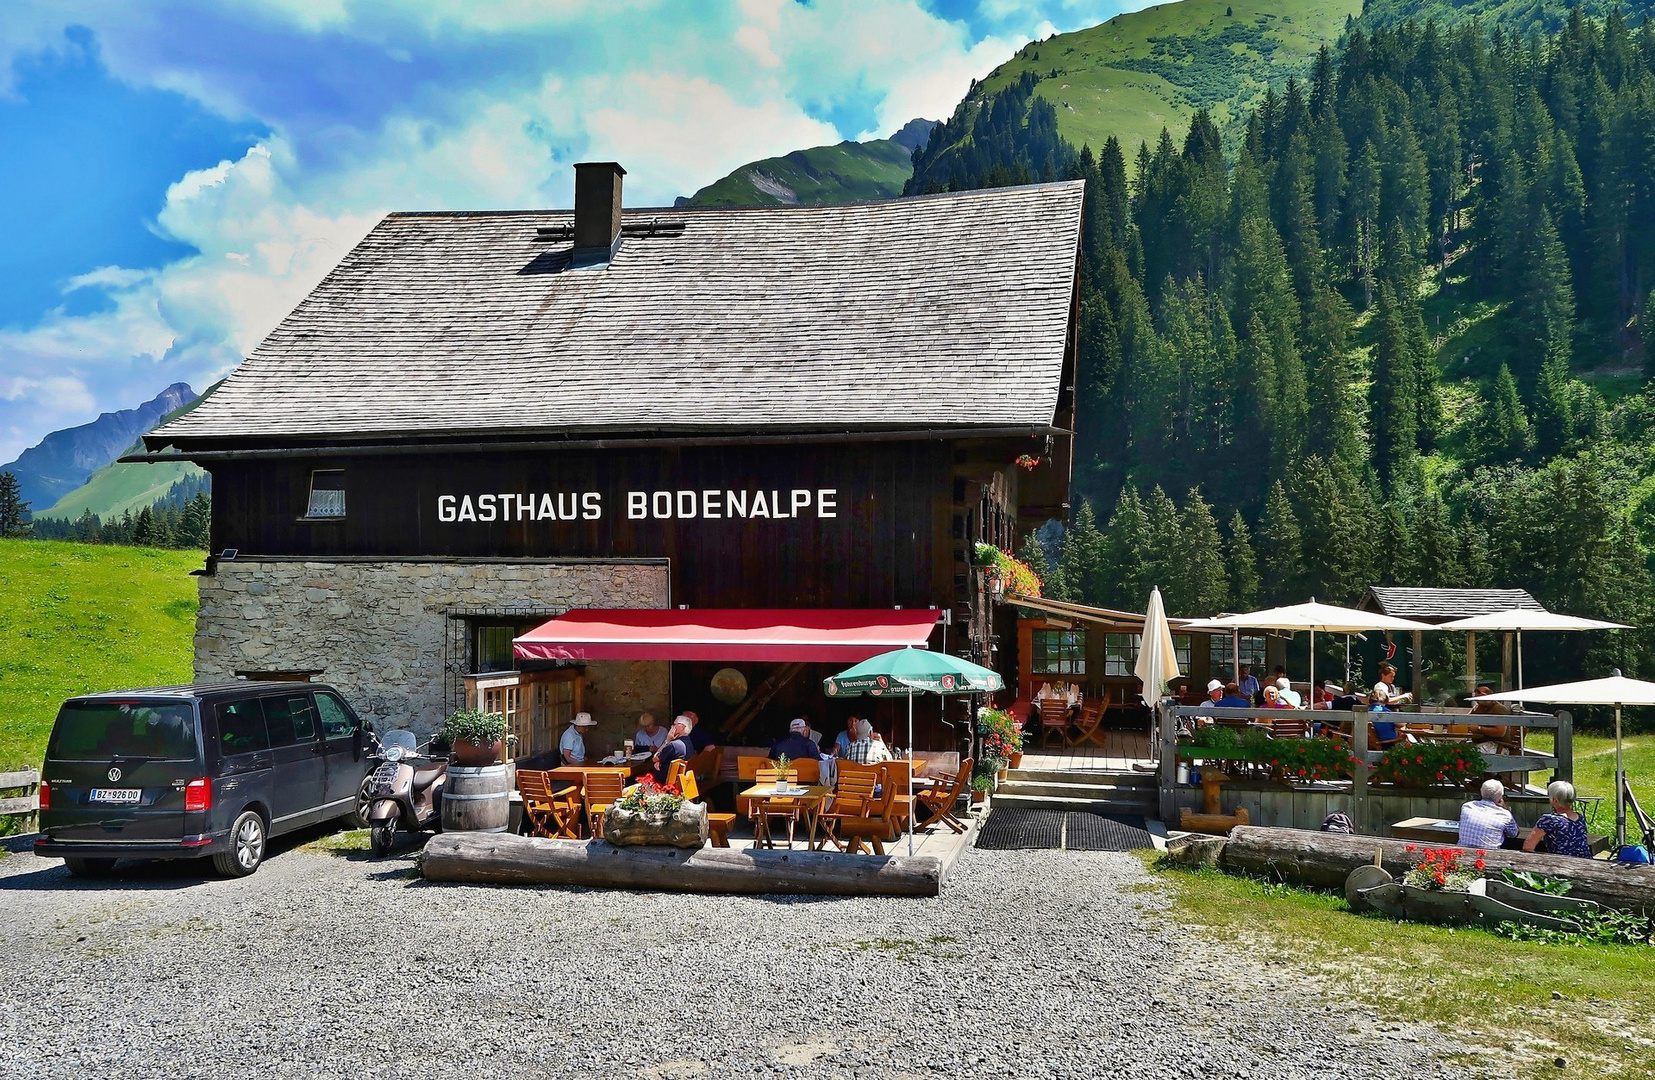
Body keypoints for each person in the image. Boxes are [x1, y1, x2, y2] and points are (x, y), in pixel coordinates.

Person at [1523, 780, 1592, 858]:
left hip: (1562, 865)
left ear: (1554, 800)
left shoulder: (1549, 820)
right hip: (1586, 863)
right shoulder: (1580, 818)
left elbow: (1528, 847)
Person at [1458, 778, 1519, 850]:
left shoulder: (1467, 807)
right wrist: (1504, 808)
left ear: (1481, 791)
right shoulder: (1504, 815)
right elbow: (1514, 834)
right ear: (1500, 797)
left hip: (1462, 853)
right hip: (1489, 857)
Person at [651, 715, 694, 783]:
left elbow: (654, 758)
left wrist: (667, 741)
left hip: (666, 781)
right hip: (680, 779)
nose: (672, 727)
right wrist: (660, 761)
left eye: (674, 724)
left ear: (682, 727)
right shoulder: (689, 742)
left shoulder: (673, 745)